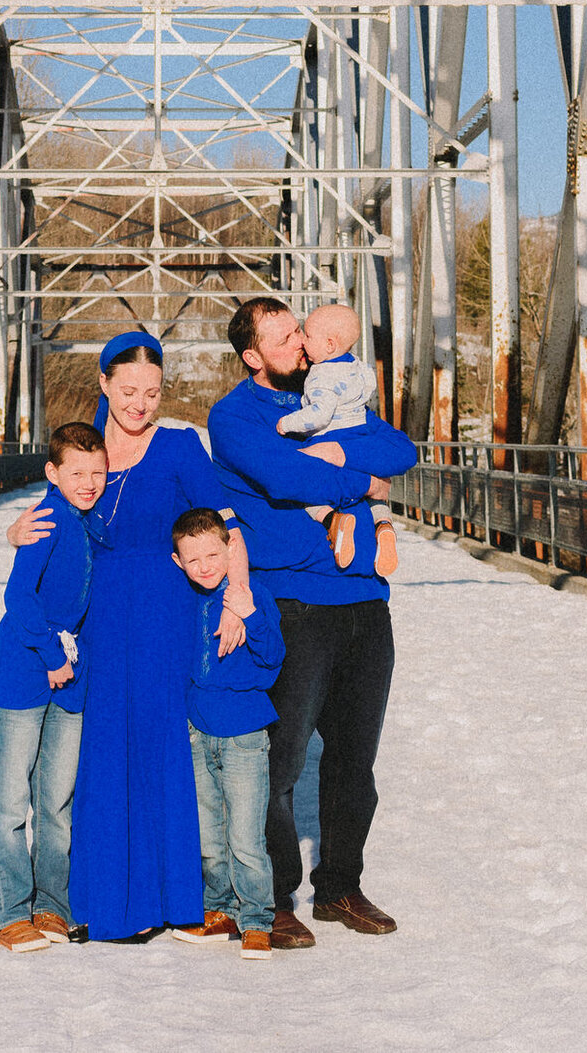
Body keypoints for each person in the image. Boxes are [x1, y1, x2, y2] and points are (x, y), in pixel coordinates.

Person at [8, 332, 247, 941]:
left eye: (153, 392)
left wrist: (237, 596)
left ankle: (172, 898)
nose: (141, 403)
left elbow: (227, 526)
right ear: (104, 384)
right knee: (102, 751)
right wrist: (15, 533)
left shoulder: (178, 446)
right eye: (130, 390)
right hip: (97, 622)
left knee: (163, 745)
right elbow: (49, 521)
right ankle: (105, 899)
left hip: (167, 618)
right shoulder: (83, 452)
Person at [208, 295, 417, 949]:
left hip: (362, 600)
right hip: (293, 604)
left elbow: (400, 450)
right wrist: (364, 483)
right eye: (278, 337)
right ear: (251, 355)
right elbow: (282, 475)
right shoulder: (234, 414)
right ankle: (272, 898)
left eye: (297, 328)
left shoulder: (336, 387)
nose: (297, 342)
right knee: (283, 760)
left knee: (355, 759)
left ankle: (339, 887)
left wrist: (345, 464)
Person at [0, 422, 104, 953]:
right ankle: (10, 913)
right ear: (52, 473)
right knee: (10, 803)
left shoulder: (88, 521)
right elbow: (19, 595)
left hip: (69, 682)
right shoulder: (48, 517)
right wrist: (53, 655)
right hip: (24, 673)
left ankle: (52, 906)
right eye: (76, 472)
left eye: (98, 472)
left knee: (55, 801)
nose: (89, 481)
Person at [166, 506, 283, 960]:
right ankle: (220, 909)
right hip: (197, 735)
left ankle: (257, 920)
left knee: (246, 836)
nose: (205, 567)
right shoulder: (187, 599)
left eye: (213, 555)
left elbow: (273, 662)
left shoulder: (252, 596)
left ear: (231, 548)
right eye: (193, 561)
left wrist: (250, 614)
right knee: (208, 834)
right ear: (179, 562)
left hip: (244, 737)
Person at [276, 304, 400, 577]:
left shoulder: (320, 377)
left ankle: (333, 520)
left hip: (330, 439)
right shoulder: (358, 368)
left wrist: (287, 424)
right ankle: (384, 525)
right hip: (361, 435)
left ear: (329, 345)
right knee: (376, 495)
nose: (302, 341)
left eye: (307, 335)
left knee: (305, 491)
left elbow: (319, 415)